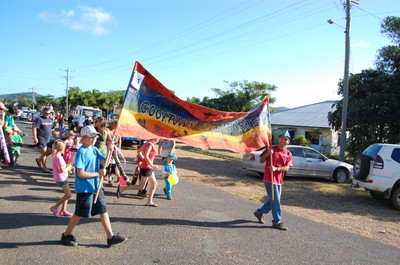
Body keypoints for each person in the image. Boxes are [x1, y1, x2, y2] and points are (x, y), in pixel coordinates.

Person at [60, 125, 127, 247]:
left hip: (97, 186)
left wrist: (110, 150)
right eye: (90, 137)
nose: (93, 139)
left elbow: (103, 162)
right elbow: (80, 173)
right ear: (83, 137)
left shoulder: (95, 149)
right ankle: (66, 234)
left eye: (94, 136)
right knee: (79, 213)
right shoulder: (81, 152)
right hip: (85, 188)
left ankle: (110, 236)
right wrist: (98, 173)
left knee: (103, 210)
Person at [253, 131, 293, 231]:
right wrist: (267, 153)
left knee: (273, 200)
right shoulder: (271, 148)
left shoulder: (288, 154)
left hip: (279, 180)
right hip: (269, 178)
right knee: (276, 200)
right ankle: (277, 221)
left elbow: (287, 168)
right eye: (281, 138)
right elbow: (262, 160)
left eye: (285, 139)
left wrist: (276, 169)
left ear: (288, 142)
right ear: (279, 139)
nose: (283, 140)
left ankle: (259, 212)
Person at [117, 138, 159, 207]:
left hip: (148, 167)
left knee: (154, 184)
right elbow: (146, 155)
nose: (159, 139)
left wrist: (143, 159)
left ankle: (149, 201)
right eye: (158, 138)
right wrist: (152, 164)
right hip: (147, 167)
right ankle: (122, 188)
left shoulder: (147, 143)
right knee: (141, 187)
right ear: (153, 137)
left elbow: (139, 151)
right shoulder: (149, 145)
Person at [50, 140, 74, 217]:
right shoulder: (58, 157)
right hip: (61, 178)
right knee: (68, 195)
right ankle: (55, 207)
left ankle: (63, 210)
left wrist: (68, 168)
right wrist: (69, 167)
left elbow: (61, 168)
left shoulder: (57, 156)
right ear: (62, 148)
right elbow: (62, 170)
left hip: (62, 177)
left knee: (66, 194)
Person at [32, 108, 54, 172]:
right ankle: (44, 167)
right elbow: (34, 128)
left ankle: (39, 160)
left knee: (49, 152)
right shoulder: (39, 119)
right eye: (46, 113)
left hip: (48, 138)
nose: (47, 114)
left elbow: (52, 129)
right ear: (43, 113)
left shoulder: (50, 120)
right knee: (44, 152)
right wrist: (35, 138)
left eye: (49, 113)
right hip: (41, 138)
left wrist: (56, 137)